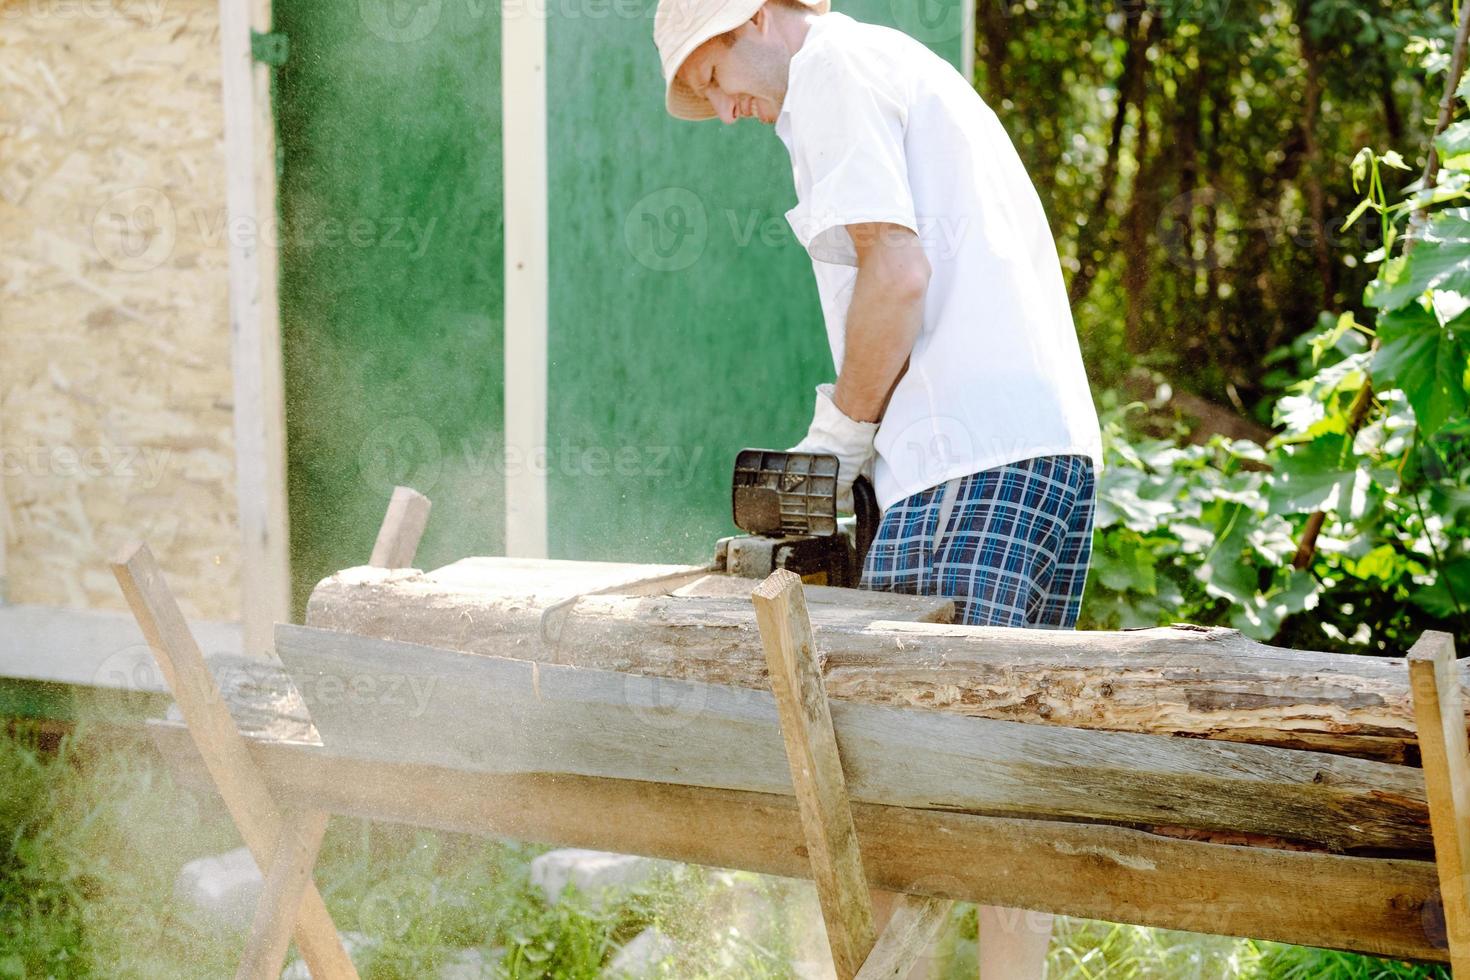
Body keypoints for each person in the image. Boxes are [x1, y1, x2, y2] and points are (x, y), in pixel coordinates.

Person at [653, 0, 1104, 976]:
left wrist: (842, 434)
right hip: (1045, 458)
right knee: (1002, 788)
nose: (724, 109)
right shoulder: (899, 67)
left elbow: (896, 274)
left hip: (958, 468)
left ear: (762, 18)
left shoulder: (829, 73)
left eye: (713, 74)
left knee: (894, 798)